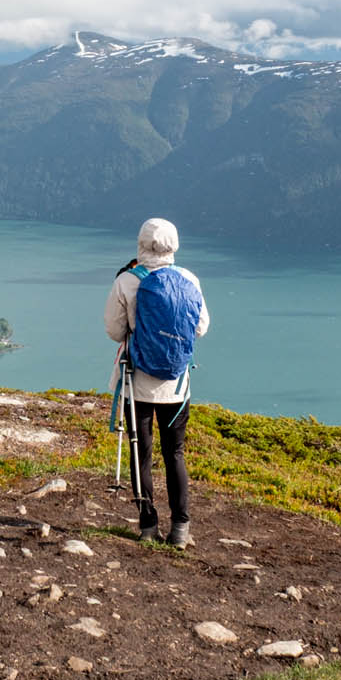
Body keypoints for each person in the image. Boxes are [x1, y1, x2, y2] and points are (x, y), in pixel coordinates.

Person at [104, 217, 209, 547]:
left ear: (141, 243)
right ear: (174, 245)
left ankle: (148, 526)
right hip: (177, 386)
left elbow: (114, 330)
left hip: (139, 385)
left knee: (142, 452)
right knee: (175, 453)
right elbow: (201, 327)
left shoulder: (127, 281)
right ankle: (180, 529)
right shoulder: (188, 279)